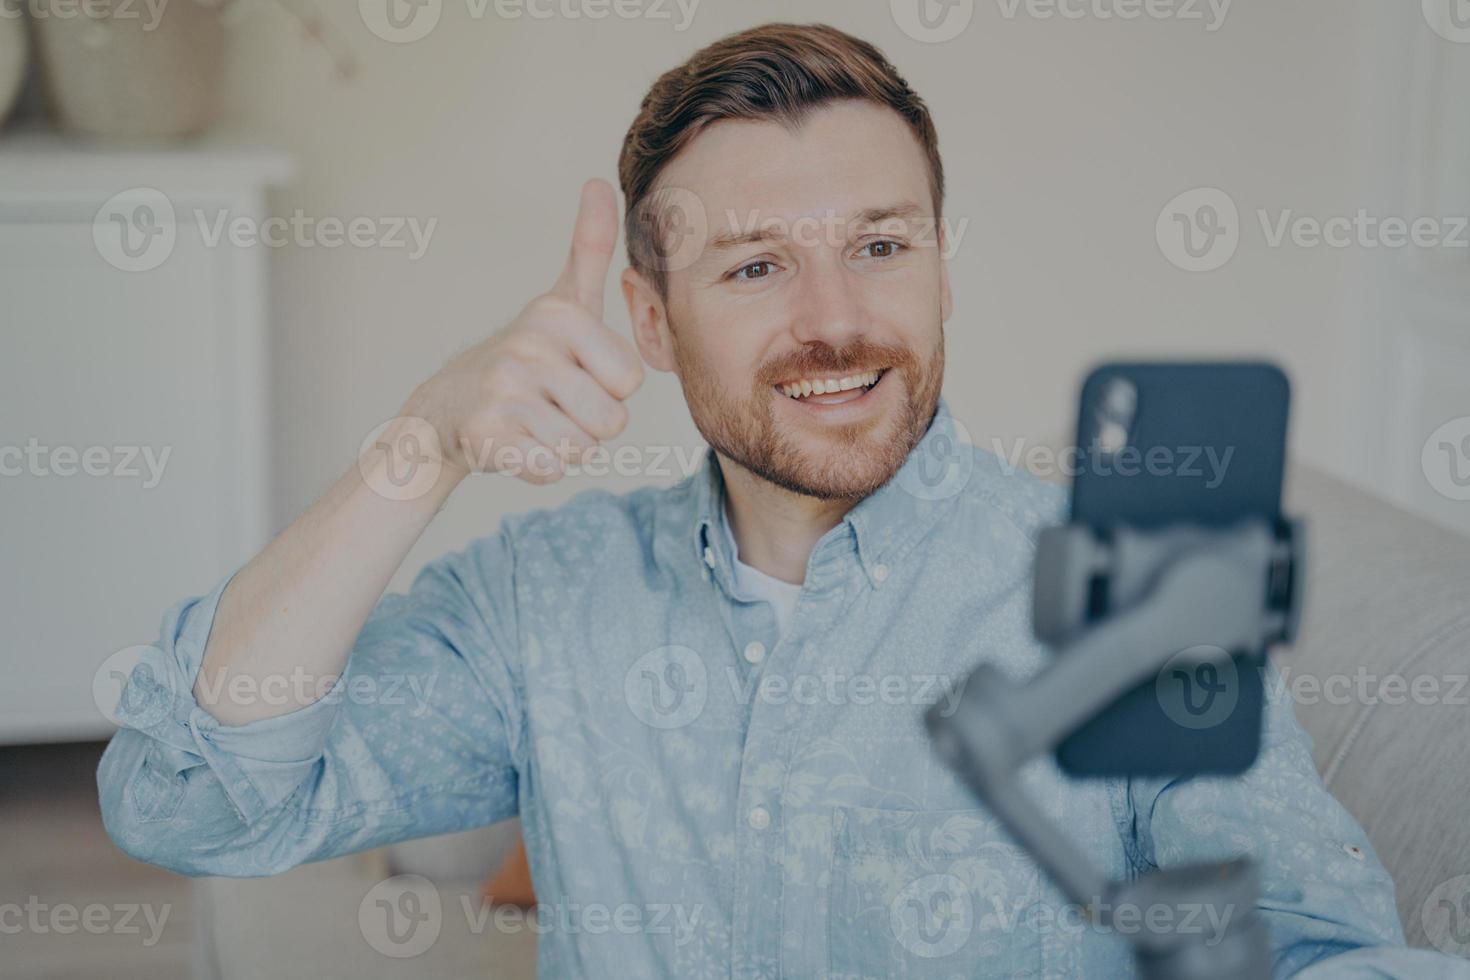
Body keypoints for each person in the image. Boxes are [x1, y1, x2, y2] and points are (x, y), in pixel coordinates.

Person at [98, 22, 1446, 978]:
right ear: (651, 317)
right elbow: (190, 799)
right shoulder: (540, 602)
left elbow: (1315, 947)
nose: (837, 323)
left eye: (878, 246)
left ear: (940, 266)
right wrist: (420, 447)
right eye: (753, 268)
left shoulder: (1135, 593)